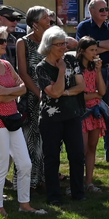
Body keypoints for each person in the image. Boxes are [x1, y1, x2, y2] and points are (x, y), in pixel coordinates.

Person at [0, 25, 41, 216]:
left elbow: (23, 88)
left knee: (25, 163)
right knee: (1, 164)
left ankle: (24, 204)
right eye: (1, 40)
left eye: (6, 40)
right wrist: (11, 92)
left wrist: (7, 91)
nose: (6, 44)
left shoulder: (6, 65)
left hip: (12, 120)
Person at [34, 27, 85, 205]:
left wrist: (66, 93)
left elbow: (81, 86)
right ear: (48, 46)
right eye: (60, 45)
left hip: (72, 114)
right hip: (51, 119)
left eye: (65, 43)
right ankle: (54, 195)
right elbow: (54, 93)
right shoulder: (42, 68)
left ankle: (79, 192)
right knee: (52, 157)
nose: (64, 47)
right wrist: (62, 71)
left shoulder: (72, 60)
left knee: (77, 155)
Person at [75, 0, 109, 163]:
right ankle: (86, 152)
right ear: (91, 11)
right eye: (101, 10)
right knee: (90, 108)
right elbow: (82, 49)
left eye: (106, 9)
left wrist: (94, 47)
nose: (105, 12)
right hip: (91, 72)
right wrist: (104, 45)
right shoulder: (83, 26)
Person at [15, 6, 54, 193]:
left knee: (48, 139)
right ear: (35, 23)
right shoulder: (23, 43)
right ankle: (28, 182)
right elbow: (22, 72)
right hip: (31, 97)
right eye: (46, 18)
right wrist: (39, 93)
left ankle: (45, 178)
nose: (50, 20)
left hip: (50, 96)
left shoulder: (51, 42)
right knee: (30, 141)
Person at [77, 37, 107, 191]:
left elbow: (102, 91)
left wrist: (99, 71)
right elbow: (79, 95)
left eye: (96, 50)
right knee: (80, 148)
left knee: (92, 147)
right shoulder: (76, 69)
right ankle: (76, 182)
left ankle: (89, 182)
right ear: (82, 51)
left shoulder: (93, 68)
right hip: (82, 113)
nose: (95, 53)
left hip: (94, 113)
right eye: (92, 50)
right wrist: (94, 95)